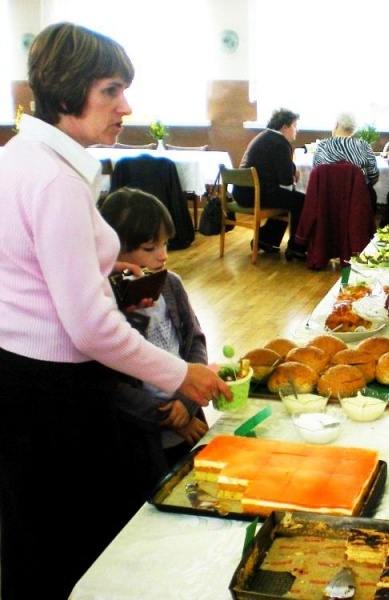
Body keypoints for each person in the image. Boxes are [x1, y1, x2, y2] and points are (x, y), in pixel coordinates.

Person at [0, 23, 230, 599]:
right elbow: (87, 326)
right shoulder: (55, 179)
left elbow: (31, 275)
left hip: (20, 374)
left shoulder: (21, 156)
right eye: (110, 91)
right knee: (76, 543)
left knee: (34, 531)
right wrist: (183, 373)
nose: (125, 106)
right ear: (66, 93)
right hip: (55, 391)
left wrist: (110, 284)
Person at [100, 187, 210, 502]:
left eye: (164, 243)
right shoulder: (105, 302)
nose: (162, 255)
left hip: (187, 414)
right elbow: (113, 383)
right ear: (114, 252)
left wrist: (187, 406)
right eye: (150, 247)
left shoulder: (172, 284)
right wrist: (170, 417)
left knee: (199, 492)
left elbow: (195, 341)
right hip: (143, 434)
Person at [234, 107, 307, 260]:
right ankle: (296, 248)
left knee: (286, 198)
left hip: (242, 192)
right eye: (294, 126)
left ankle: (266, 240)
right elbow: (285, 181)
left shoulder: (264, 136)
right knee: (301, 200)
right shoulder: (280, 143)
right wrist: (292, 174)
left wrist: (291, 169)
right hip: (256, 194)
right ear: (284, 127)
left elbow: (273, 165)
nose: (296, 130)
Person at [312, 111, 379, 207]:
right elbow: (373, 177)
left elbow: (316, 176)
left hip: (328, 201)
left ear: (336, 125)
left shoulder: (322, 146)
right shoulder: (364, 146)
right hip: (357, 203)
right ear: (354, 129)